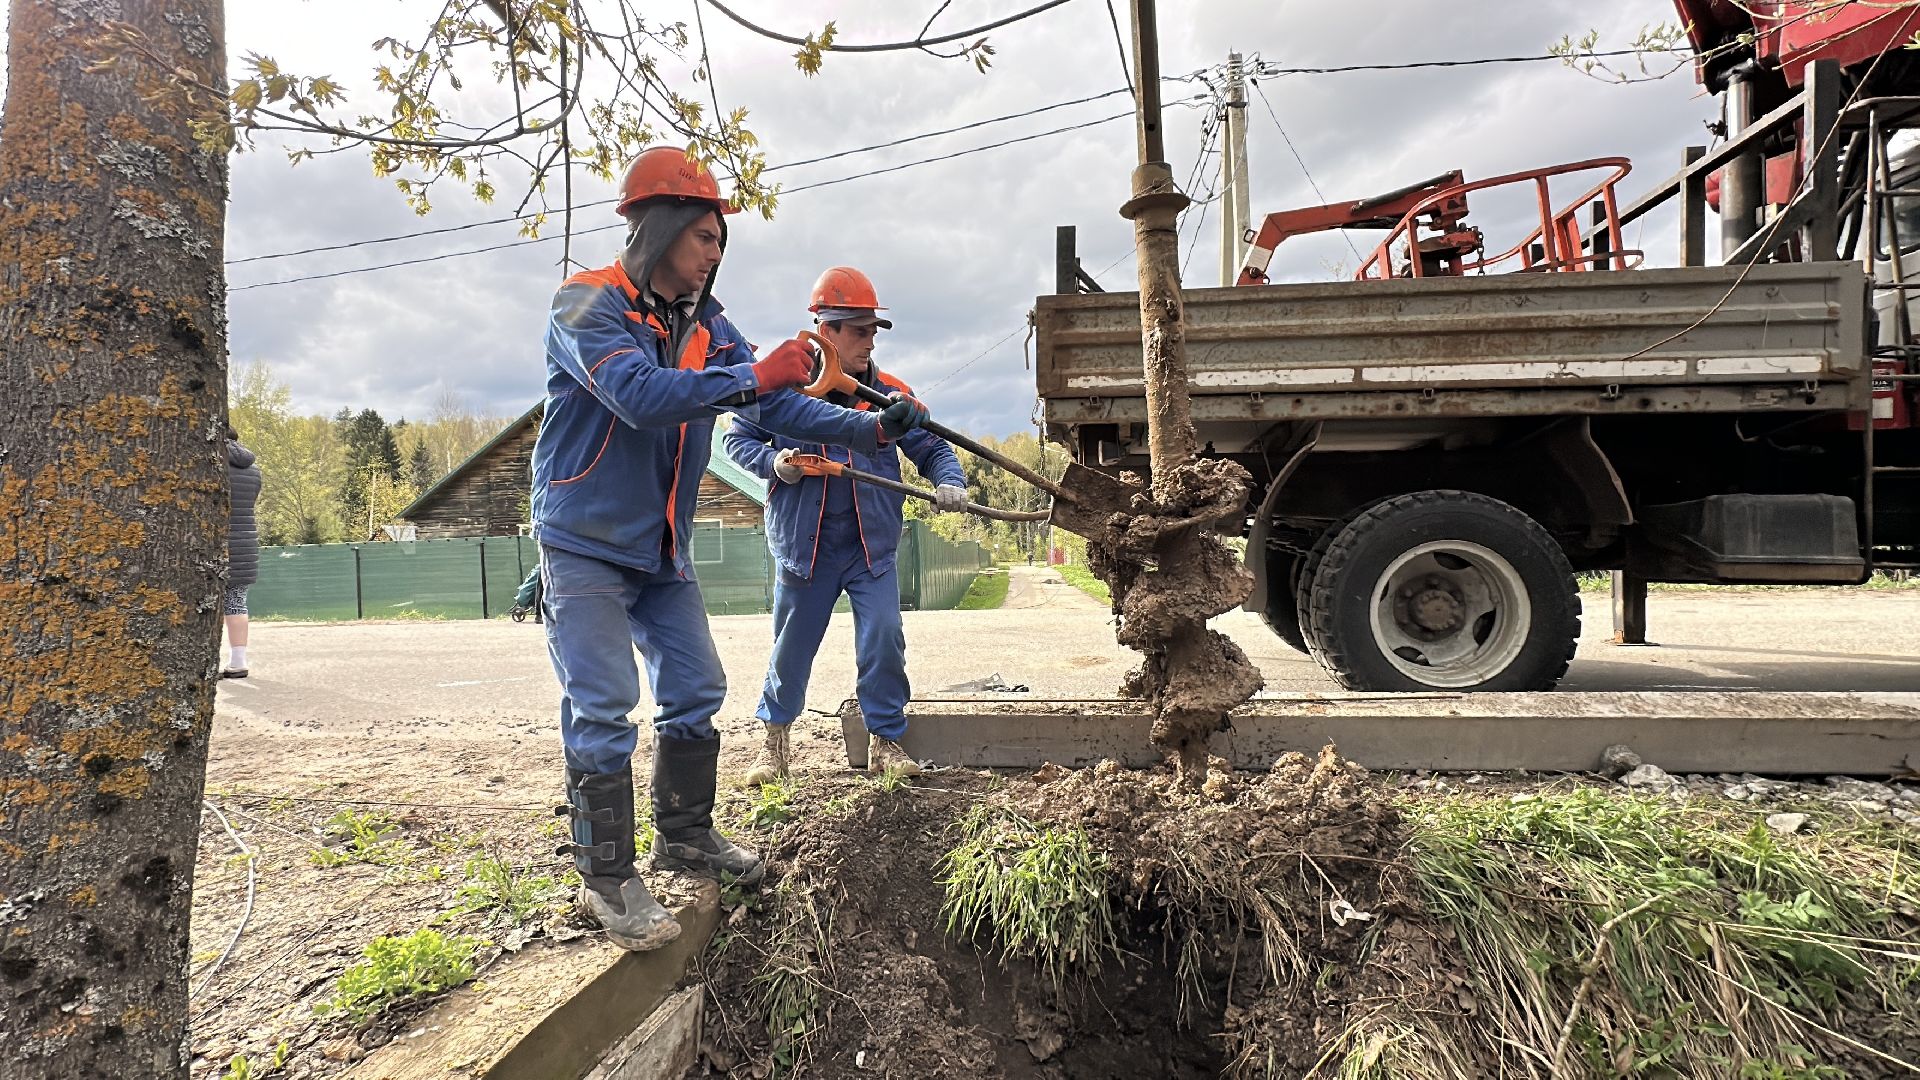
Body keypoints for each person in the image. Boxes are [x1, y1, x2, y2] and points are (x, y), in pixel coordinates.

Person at [535, 150, 932, 953]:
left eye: (721, 240)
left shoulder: (708, 325)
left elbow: (783, 401)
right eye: (706, 235)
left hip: (661, 548)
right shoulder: (587, 304)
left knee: (697, 686)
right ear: (663, 228)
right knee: (605, 701)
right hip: (583, 541)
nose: (716, 252)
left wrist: (872, 425)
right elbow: (641, 397)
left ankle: (684, 836)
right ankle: (605, 879)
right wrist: (753, 379)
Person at [723, 266, 967, 786]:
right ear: (825, 331)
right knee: (791, 647)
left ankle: (886, 742)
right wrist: (775, 465)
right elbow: (735, 440)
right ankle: (774, 746)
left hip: (868, 546)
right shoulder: (783, 391)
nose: (868, 339)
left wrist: (951, 482)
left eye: (873, 329)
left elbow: (932, 447)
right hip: (804, 548)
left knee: (883, 639)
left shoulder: (890, 398)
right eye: (857, 329)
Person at [223, 426, 262, 679]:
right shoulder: (253, 471)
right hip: (246, 542)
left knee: (201, 604)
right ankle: (238, 661)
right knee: (236, 602)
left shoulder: (210, 466)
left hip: (218, 541)